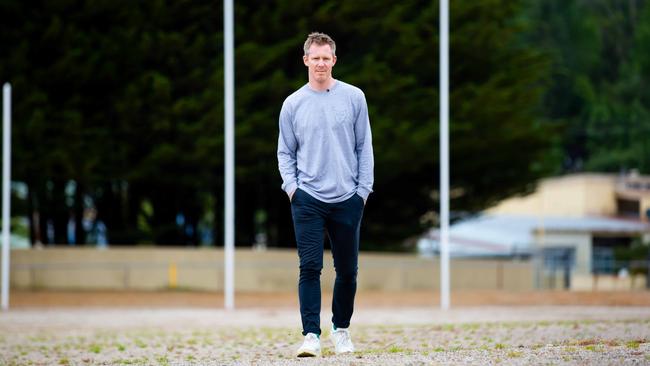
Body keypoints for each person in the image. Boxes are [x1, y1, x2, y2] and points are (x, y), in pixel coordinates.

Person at [277, 32, 374, 357]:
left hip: (348, 198)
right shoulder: (293, 104)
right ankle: (311, 336)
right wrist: (293, 189)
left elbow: (365, 147)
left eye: (325, 57)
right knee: (309, 268)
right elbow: (285, 153)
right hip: (308, 200)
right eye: (314, 57)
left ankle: (341, 330)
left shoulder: (354, 97)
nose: (320, 63)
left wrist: (362, 192)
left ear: (334, 60)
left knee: (347, 271)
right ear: (305, 60)